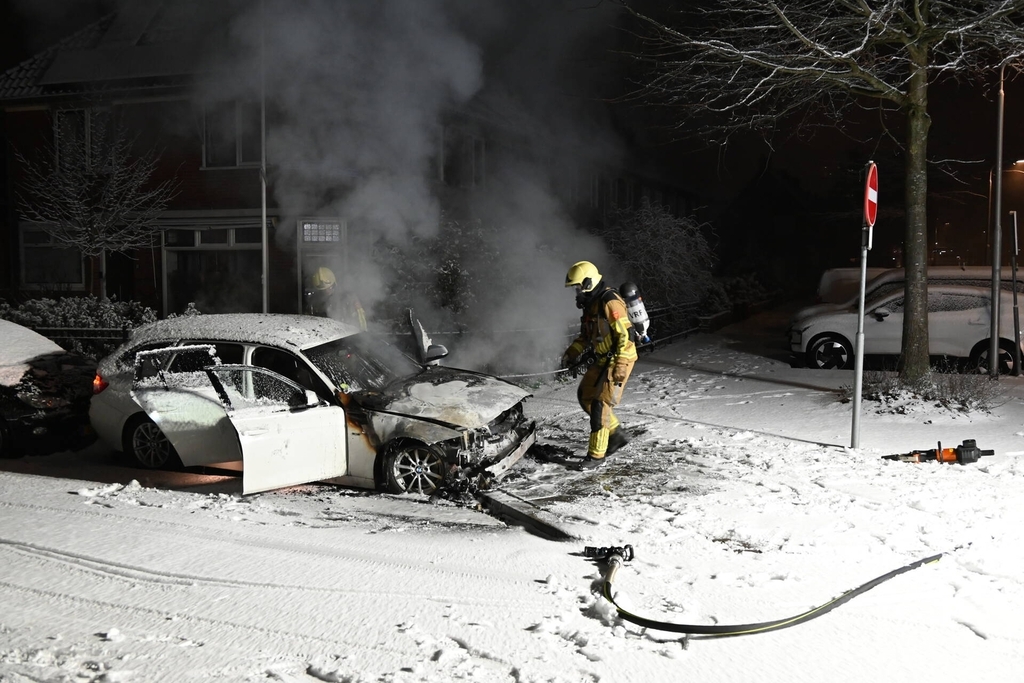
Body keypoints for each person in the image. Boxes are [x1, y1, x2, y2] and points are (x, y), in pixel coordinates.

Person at [561, 260, 638, 469]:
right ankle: (616, 435)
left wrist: (620, 363)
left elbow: (626, 335)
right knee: (585, 395)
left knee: (600, 404)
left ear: (588, 283)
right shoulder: (591, 305)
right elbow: (586, 337)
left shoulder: (610, 302)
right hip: (603, 358)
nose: (577, 292)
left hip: (620, 358)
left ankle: (596, 456)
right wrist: (571, 353)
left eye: (578, 287)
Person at [304, 266, 368, 330]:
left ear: (334, 284)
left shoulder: (348, 297)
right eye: (324, 290)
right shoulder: (315, 302)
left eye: (330, 287)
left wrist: (362, 331)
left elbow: (361, 320)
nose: (327, 291)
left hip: (348, 331)